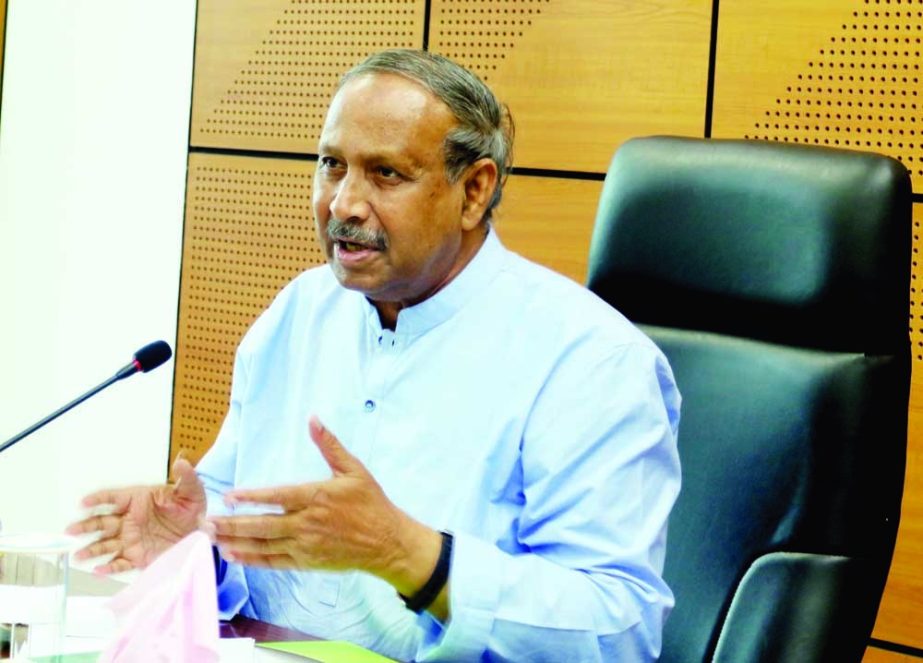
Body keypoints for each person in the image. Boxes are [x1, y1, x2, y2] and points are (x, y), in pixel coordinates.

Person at [68, 49, 681, 662]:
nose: (343, 205)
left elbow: (617, 630)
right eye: (332, 166)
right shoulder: (298, 312)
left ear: (474, 191)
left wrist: (407, 554)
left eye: (385, 174)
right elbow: (240, 523)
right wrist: (198, 542)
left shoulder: (591, 361)